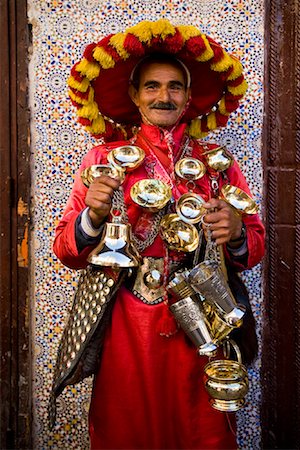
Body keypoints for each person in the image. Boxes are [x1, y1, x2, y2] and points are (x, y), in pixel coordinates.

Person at [51, 19, 265, 449]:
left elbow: (254, 248)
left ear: (188, 97)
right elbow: (66, 250)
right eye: (151, 86)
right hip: (128, 320)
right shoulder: (104, 159)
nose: (163, 96)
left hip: (205, 319)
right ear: (135, 95)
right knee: (125, 427)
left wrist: (237, 231)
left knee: (203, 431)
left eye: (173, 87)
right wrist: (92, 214)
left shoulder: (216, 163)